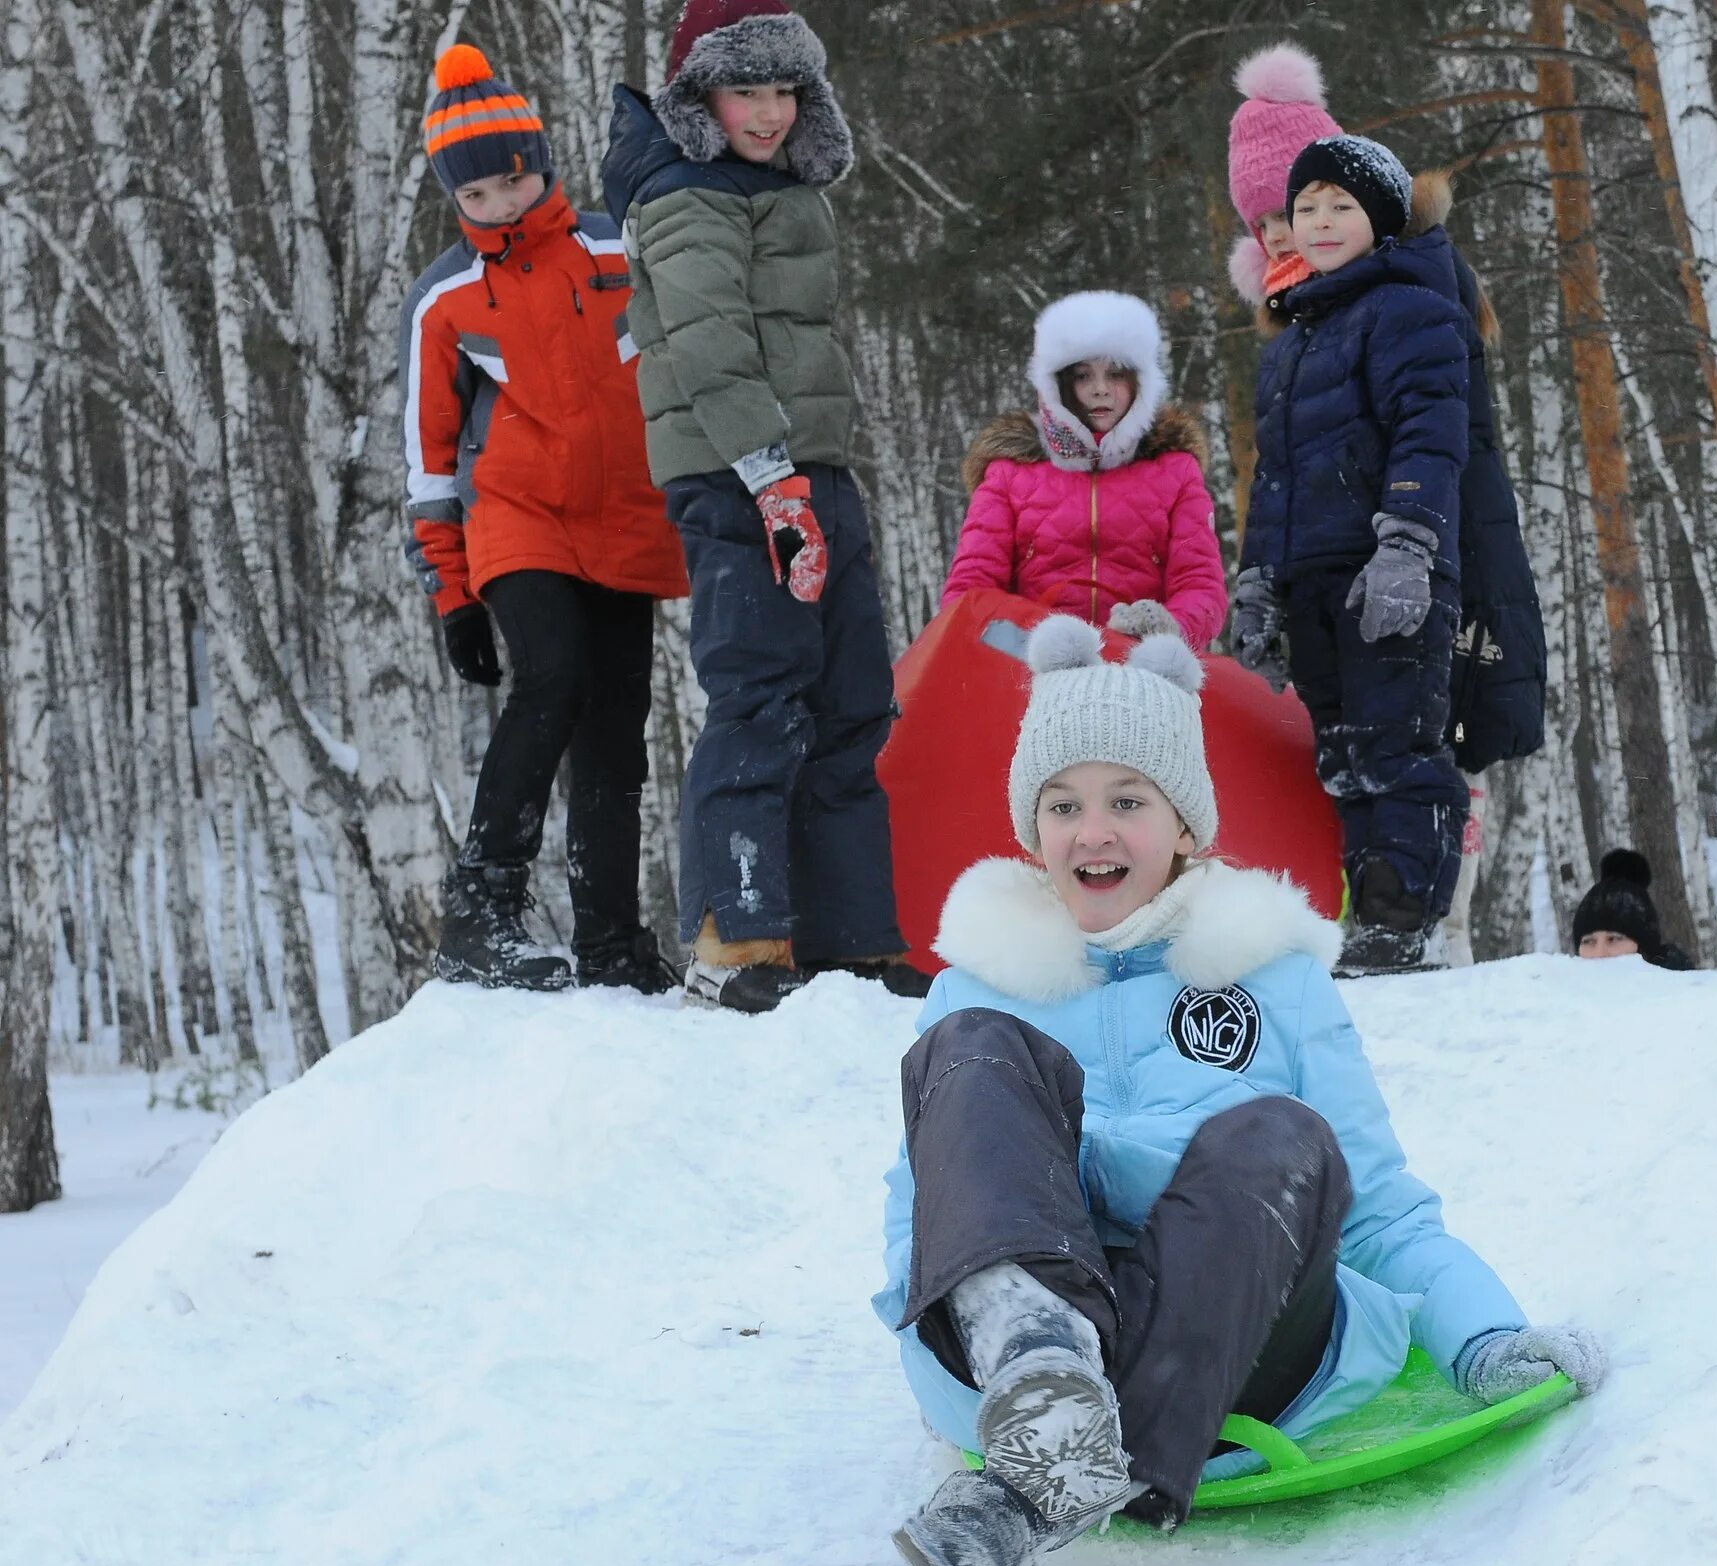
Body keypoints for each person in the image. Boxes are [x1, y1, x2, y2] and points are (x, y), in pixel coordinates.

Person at [875, 615, 1604, 1566]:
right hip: (1016, 1343)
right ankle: (1046, 1384)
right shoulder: (973, 987)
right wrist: (950, 1325)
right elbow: (926, 1214)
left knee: (1279, 1137)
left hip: (1243, 1334)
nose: (1093, 831)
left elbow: (1379, 1205)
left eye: (1127, 800)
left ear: (1183, 823)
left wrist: (1481, 1335)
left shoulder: (1270, 975)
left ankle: (1034, 1485)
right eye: (1063, 803)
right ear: (1030, 827)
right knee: (973, 1052)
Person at [599, 0, 923, 1012]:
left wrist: (811, 474)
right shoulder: (687, 190)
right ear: (703, 92)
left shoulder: (777, 188)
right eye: (749, 88)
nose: (772, 111)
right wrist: (771, 478)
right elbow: (708, 344)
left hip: (814, 467)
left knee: (853, 702)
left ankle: (853, 936)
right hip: (742, 476)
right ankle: (739, 936)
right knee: (761, 696)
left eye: (787, 89)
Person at [1226, 54, 1545, 968]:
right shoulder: (1290, 342)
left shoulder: (1410, 308)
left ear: (1380, 219)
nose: (1313, 225)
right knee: (1343, 754)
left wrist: (1407, 545)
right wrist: (1258, 585)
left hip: (1393, 570)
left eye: (1338, 208)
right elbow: (1275, 476)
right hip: (1315, 577)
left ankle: (1407, 918)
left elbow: (1431, 439)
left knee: (1404, 744)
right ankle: (1371, 912)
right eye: (1300, 211)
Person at [400, 43, 689, 995]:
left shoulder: (618, 247)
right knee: (552, 678)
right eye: (474, 196)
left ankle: (610, 943)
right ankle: (482, 907)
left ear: (539, 165)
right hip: (518, 518)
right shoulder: (444, 297)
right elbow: (430, 459)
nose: (496, 207)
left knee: (617, 727)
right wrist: (451, 593)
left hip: (628, 524)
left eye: (510, 183)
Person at [940, 291, 1228, 650]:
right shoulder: (1009, 474)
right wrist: (1027, 644)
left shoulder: (1175, 470)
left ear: (1140, 382)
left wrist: (1171, 631)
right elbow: (970, 592)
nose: (1101, 390)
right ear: (1057, 383)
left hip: (1145, 673)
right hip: (1031, 674)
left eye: (1116, 373)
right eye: (1083, 375)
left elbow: (1200, 584)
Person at [1572, 849, 1695, 970]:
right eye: (1588, 941)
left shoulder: (1689, 989)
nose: (1599, 954)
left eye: (1613, 939)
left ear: (1644, 949)